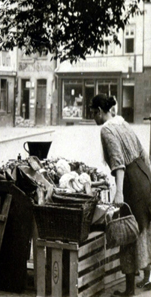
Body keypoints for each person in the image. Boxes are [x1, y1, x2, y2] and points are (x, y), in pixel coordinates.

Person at [90, 94, 151, 296]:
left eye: (93, 112)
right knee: (144, 227)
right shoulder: (123, 124)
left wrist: (119, 192)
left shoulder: (107, 130)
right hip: (145, 177)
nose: (93, 117)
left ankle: (129, 289)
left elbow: (118, 163)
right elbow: (143, 153)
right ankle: (147, 276)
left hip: (132, 182)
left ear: (99, 111)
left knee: (128, 231)